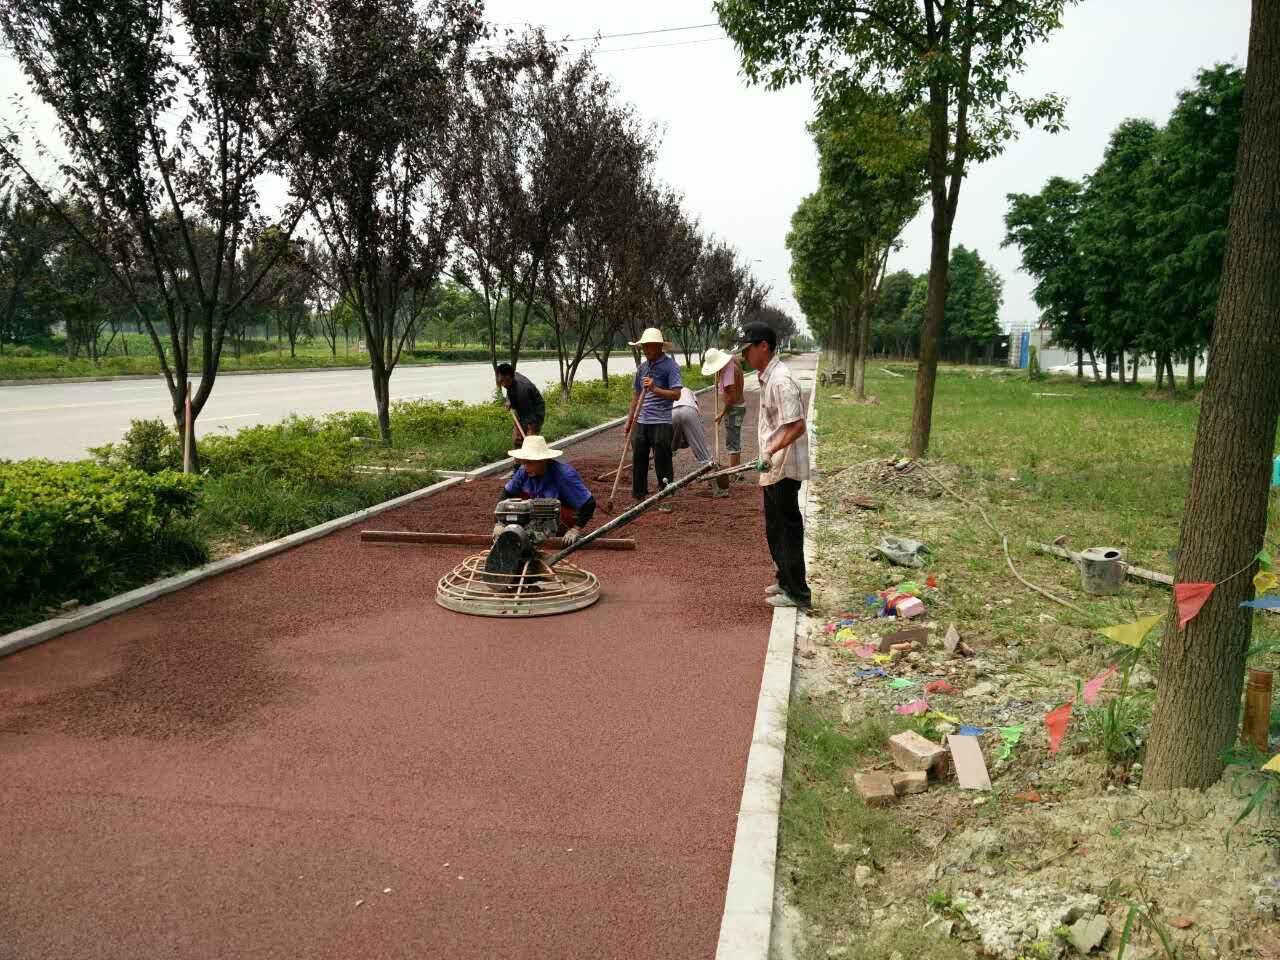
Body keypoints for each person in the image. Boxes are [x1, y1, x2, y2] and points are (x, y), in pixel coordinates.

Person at [735, 321, 811, 609]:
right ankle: (784, 580)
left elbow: (797, 425)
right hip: (773, 466)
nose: (745, 356)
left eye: (748, 350)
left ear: (764, 346)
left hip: (784, 466)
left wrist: (770, 451)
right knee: (774, 527)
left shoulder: (780, 380)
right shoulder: (767, 378)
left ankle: (798, 592)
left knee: (787, 529)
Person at [494, 435, 595, 544]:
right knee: (515, 502)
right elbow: (506, 494)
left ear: (543, 461)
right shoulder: (524, 470)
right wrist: (499, 524)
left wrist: (576, 529)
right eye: (524, 462)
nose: (526, 467)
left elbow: (589, 503)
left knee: (554, 510)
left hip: (560, 514)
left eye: (530, 463)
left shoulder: (564, 476)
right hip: (535, 510)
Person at [625, 327, 682, 504]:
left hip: (661, 421)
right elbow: (636, 395)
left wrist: (655, 388)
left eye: (648, 345)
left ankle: (665, 496)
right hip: (641, 420)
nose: (645, 349)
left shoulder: (671, 366)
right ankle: (639, 497)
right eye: (643, 346)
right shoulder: (642, 368)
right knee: (639, 459)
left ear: (658, 346)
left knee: (662, 460)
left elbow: (676, 394)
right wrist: (629, 420)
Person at [701, 346, 745, 491]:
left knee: (732, 442)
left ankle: (734, 473)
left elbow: (731, 396)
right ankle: (737, 471)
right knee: (735, 440)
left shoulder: (728, 373)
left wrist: (721, 413)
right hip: (738, 407)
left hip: (734, 409)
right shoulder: (732, 362)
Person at [671, 386, 728, 498]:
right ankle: (716, 490)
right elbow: (698, 413)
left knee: (667, 452)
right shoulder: (689, 391)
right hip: (690, 410)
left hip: (672, 412)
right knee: (704, 455)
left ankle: (667, 488)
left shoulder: (670, 390)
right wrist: (697, 441)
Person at [496, 362, 546, 447]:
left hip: (534, 412)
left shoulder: (522, 390)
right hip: (522, 409)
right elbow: (509, 389)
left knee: (530, 443)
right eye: (500, 381)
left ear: (509, 377)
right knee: (517, 440)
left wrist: (530, 434)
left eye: (503, 381)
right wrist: (509, 400)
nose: (502, 384)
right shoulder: (510, 378)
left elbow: (530, 418)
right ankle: (519, 449)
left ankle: (532, 451)